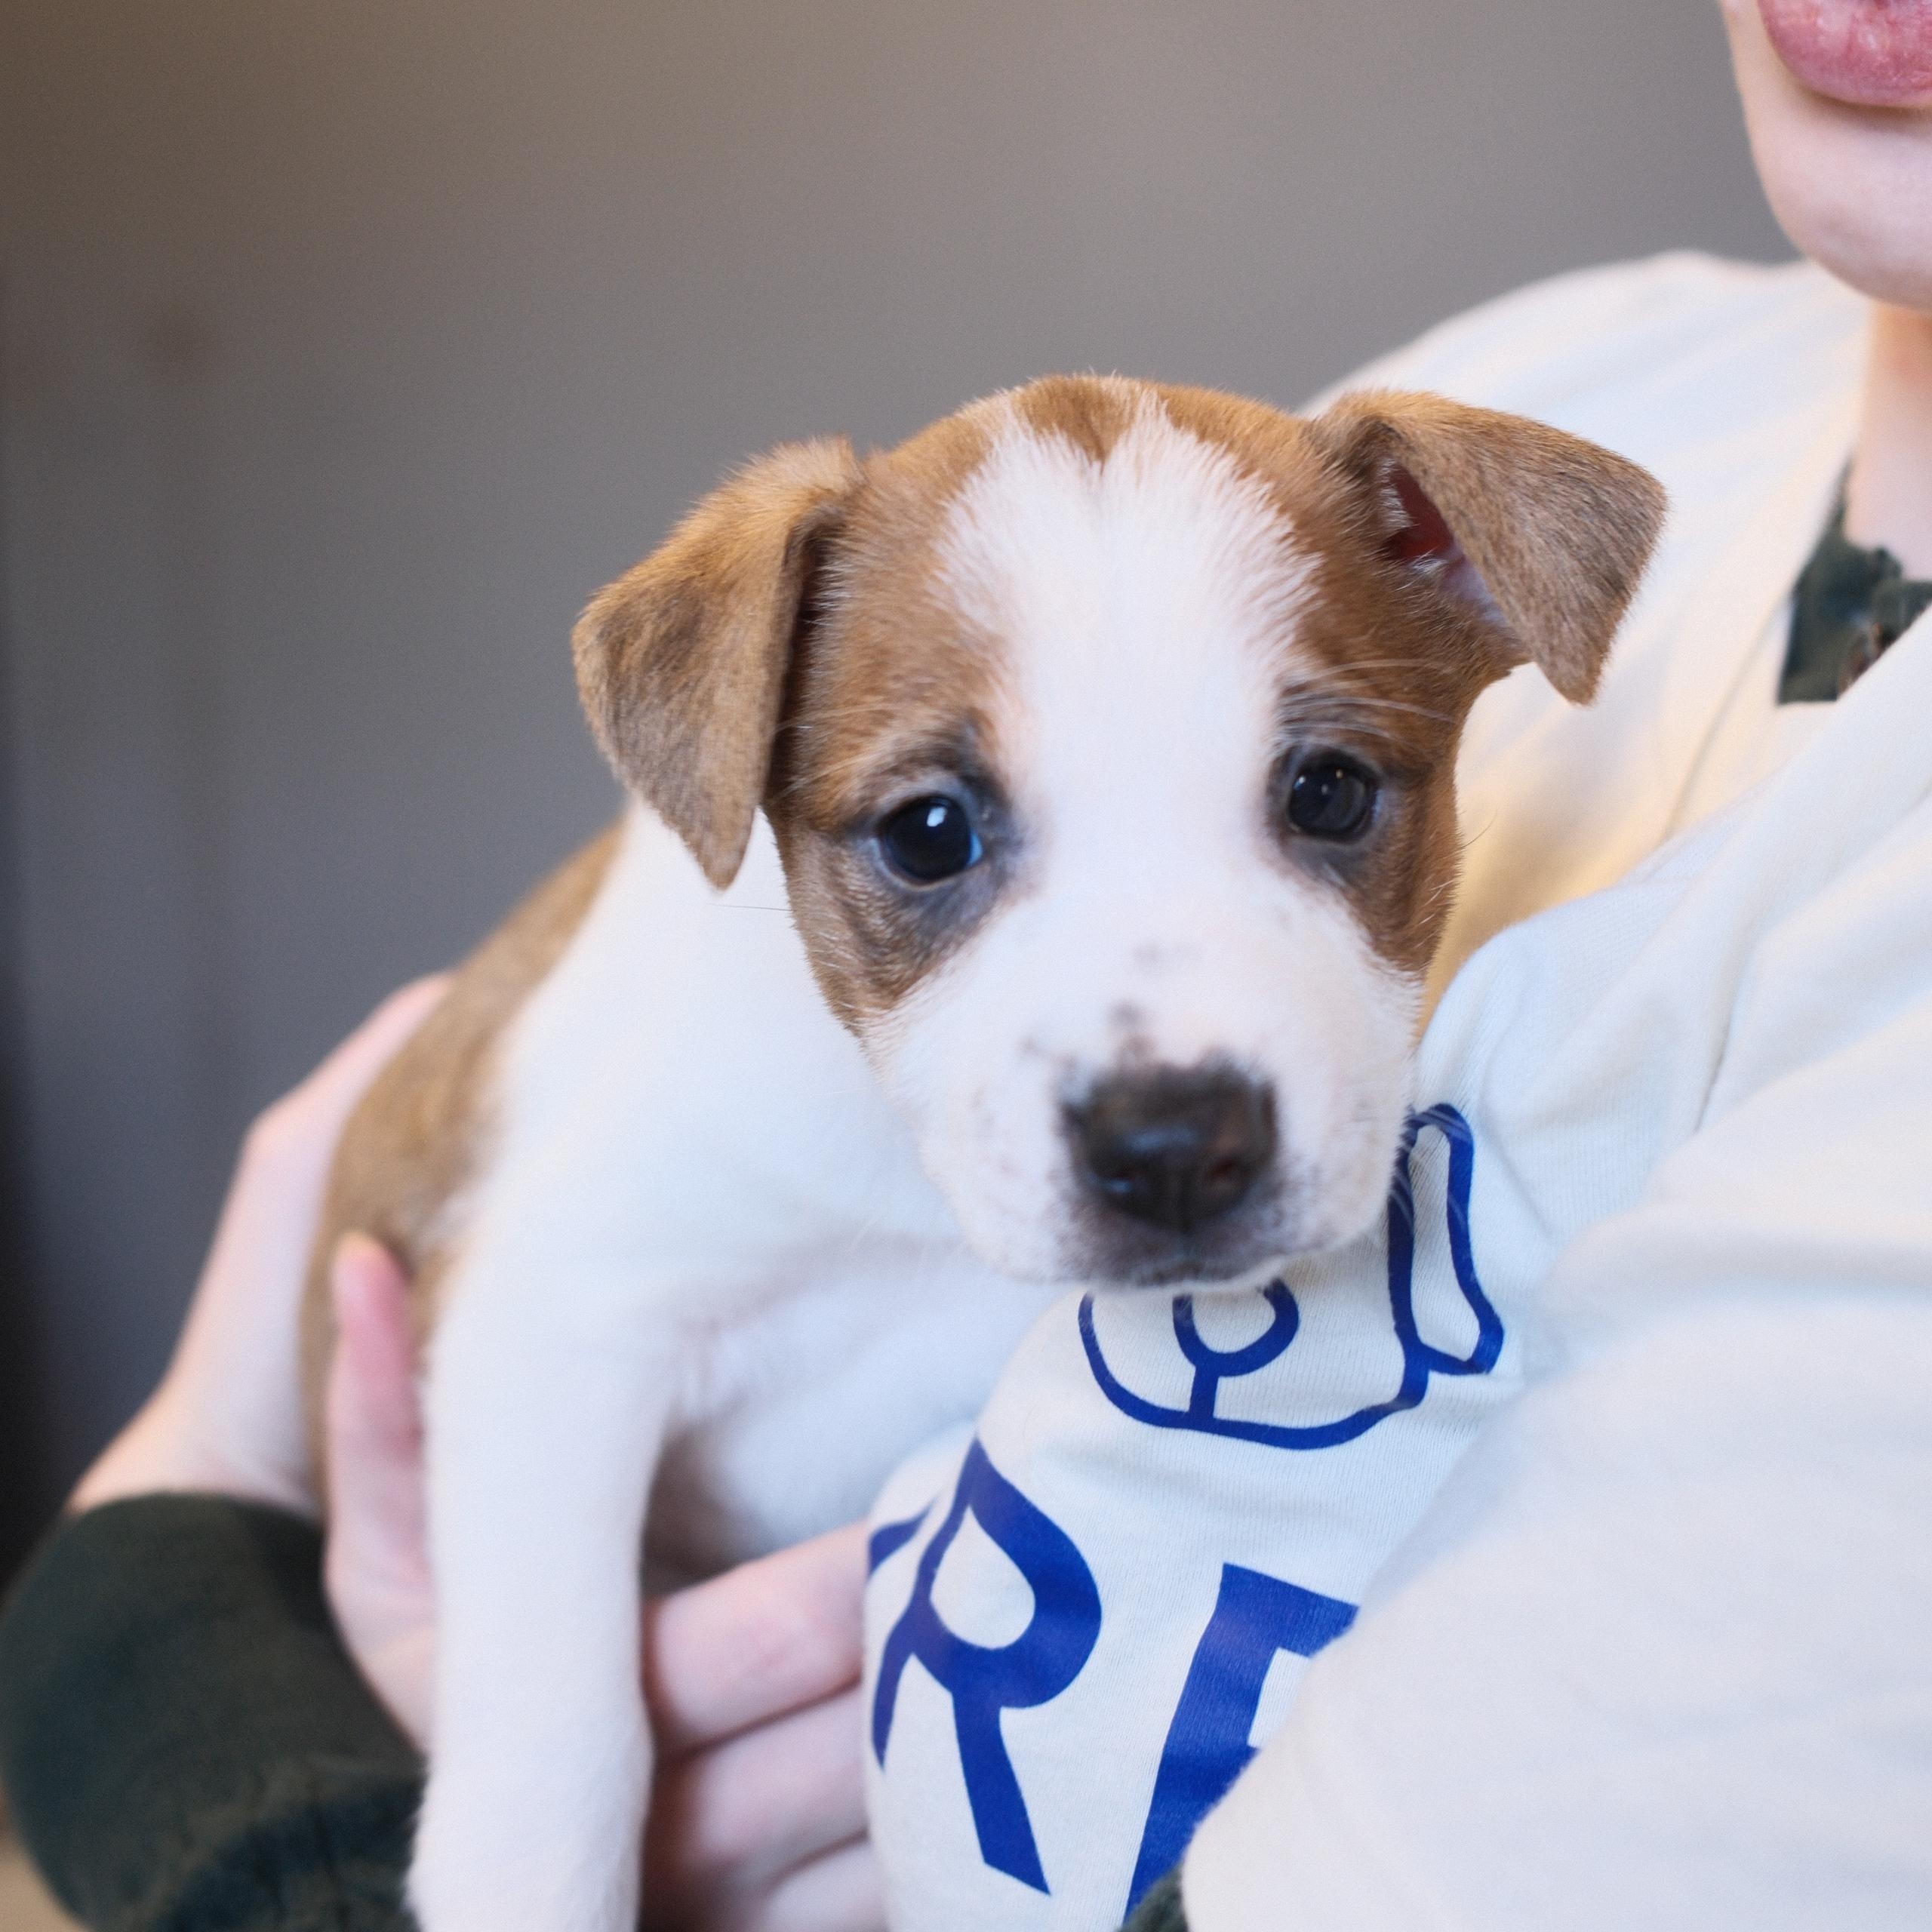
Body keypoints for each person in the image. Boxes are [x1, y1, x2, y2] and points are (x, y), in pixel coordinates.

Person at [2, 1, 1927, 1925]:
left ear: (1470, 599)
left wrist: (177, 1586)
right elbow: (538, 1325)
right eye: (936, 838)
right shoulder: (1604, 365)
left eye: (1321, 794)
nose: (1169, 1060)